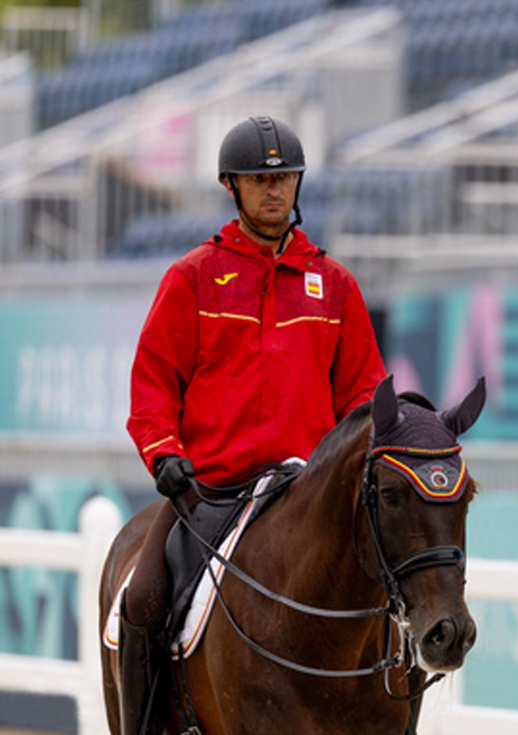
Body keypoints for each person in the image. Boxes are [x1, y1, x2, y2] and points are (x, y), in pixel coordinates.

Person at [119, 115, 386, 735]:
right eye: (258, 180)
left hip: (304, 492)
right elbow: (152, 388)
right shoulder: (192, 278)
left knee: (390, 599)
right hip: (207, 490)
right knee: (141, 599)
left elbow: (366, 397)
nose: (275, 191)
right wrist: (163, 455)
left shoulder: (336, 287)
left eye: (286, 178)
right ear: (230, 187)